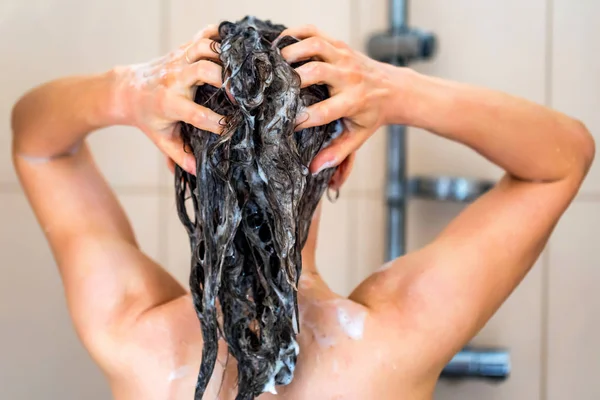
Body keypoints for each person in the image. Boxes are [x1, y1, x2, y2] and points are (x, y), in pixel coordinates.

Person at [11, 23, 594, 400]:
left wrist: (125, 90)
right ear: (341, 166)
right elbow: (563, 159)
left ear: (181, 166)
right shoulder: (396, 341)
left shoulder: (133, 336)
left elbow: (35, 142)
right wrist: (398, 91)